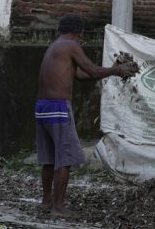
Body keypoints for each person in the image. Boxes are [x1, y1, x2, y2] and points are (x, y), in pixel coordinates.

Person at [35, 14, 135, 216]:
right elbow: (91, 69)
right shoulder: (71, 45)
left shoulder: (56, 46)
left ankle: (46, 202)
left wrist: (112, 69)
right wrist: (116, 71)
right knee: (64, 159)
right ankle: (59, 207)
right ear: (78, 34)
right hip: (58, 107)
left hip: (42, 107)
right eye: (81, 36)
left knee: (49, 159)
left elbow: (80, 75)